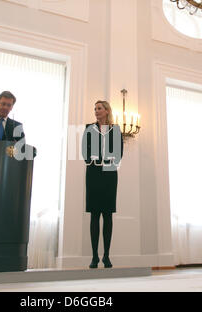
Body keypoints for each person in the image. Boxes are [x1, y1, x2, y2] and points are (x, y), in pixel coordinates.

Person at [82, 100, 123, 269]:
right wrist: (95, 160)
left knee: (107, 214)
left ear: (107, 111)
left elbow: (119, 153)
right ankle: (94, 257)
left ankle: (106, 256)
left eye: (99, 108)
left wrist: (107, 161)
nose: (96, 111)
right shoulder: (88, 128)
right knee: (94, 214)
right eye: (95, 109)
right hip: (93, 173)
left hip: (110, 174)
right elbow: (84, 151)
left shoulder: (116, 130)